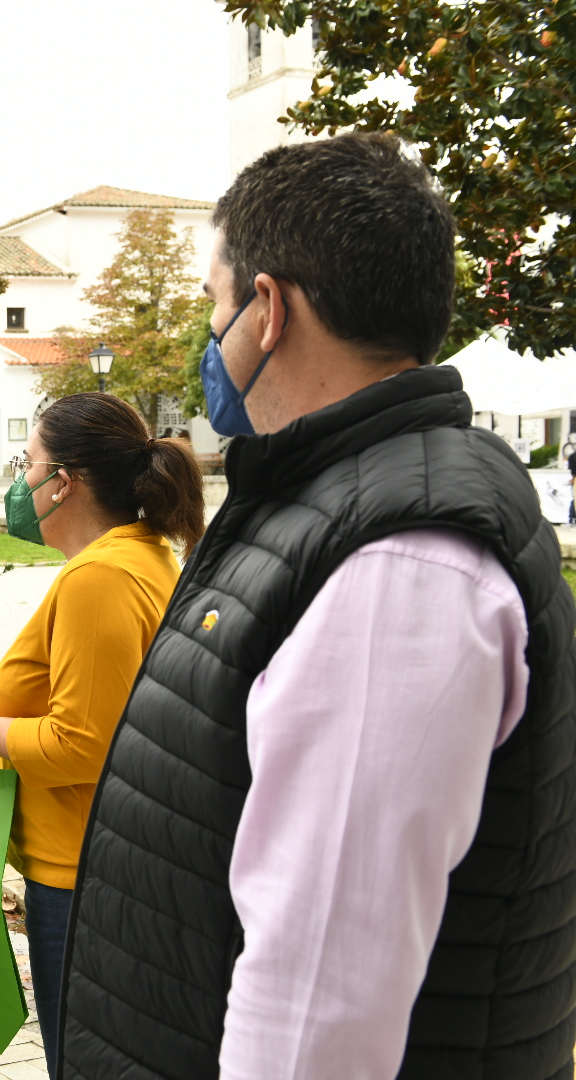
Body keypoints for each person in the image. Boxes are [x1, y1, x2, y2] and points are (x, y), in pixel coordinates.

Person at [58, 133, 576, 1079]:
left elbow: (316, 1012)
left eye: (216, 307)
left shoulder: (405, 564)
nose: (212, 341)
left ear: (270, 309)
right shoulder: (336, 497)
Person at [0, 392, 204, 1077]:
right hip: (108, 860)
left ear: (63, 481)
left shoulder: (101, 577)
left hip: (81, 875)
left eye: (26, 463)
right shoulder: (139, 555)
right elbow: (111, 722)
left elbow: (84, 745)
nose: (18, 481)